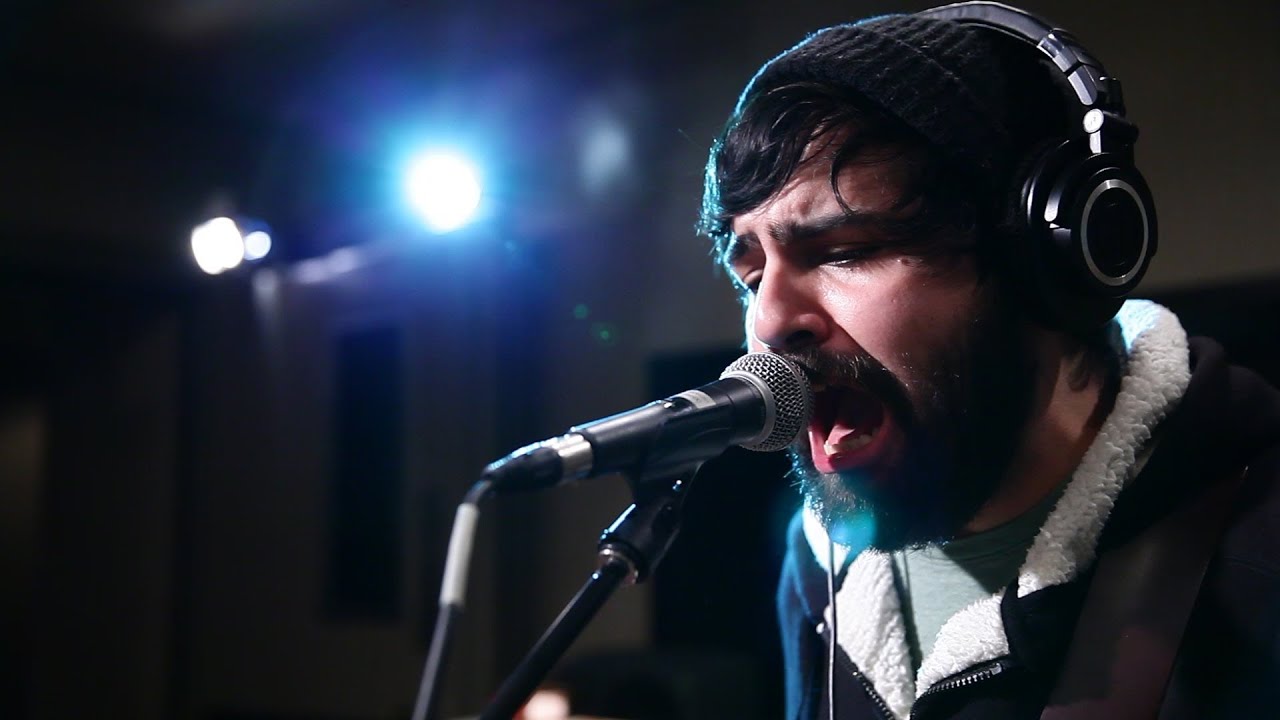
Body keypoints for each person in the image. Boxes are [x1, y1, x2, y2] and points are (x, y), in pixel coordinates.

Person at [696, 3, 1280, 718]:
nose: (768, 322)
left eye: (845, 251)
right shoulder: (820, 568)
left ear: (1038, 266)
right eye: (751, 277)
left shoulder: (1257, 545)